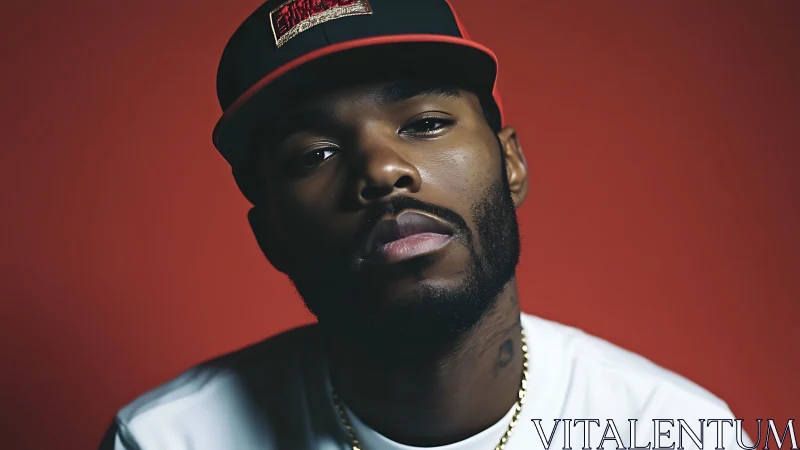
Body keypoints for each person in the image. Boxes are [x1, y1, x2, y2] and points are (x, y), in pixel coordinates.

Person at [101, 0, 748, 449]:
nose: (382, 170)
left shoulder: (673, 430)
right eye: (313, 155)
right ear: (268, 232)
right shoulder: (168, 440)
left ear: (512, 162)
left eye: (427, 123)